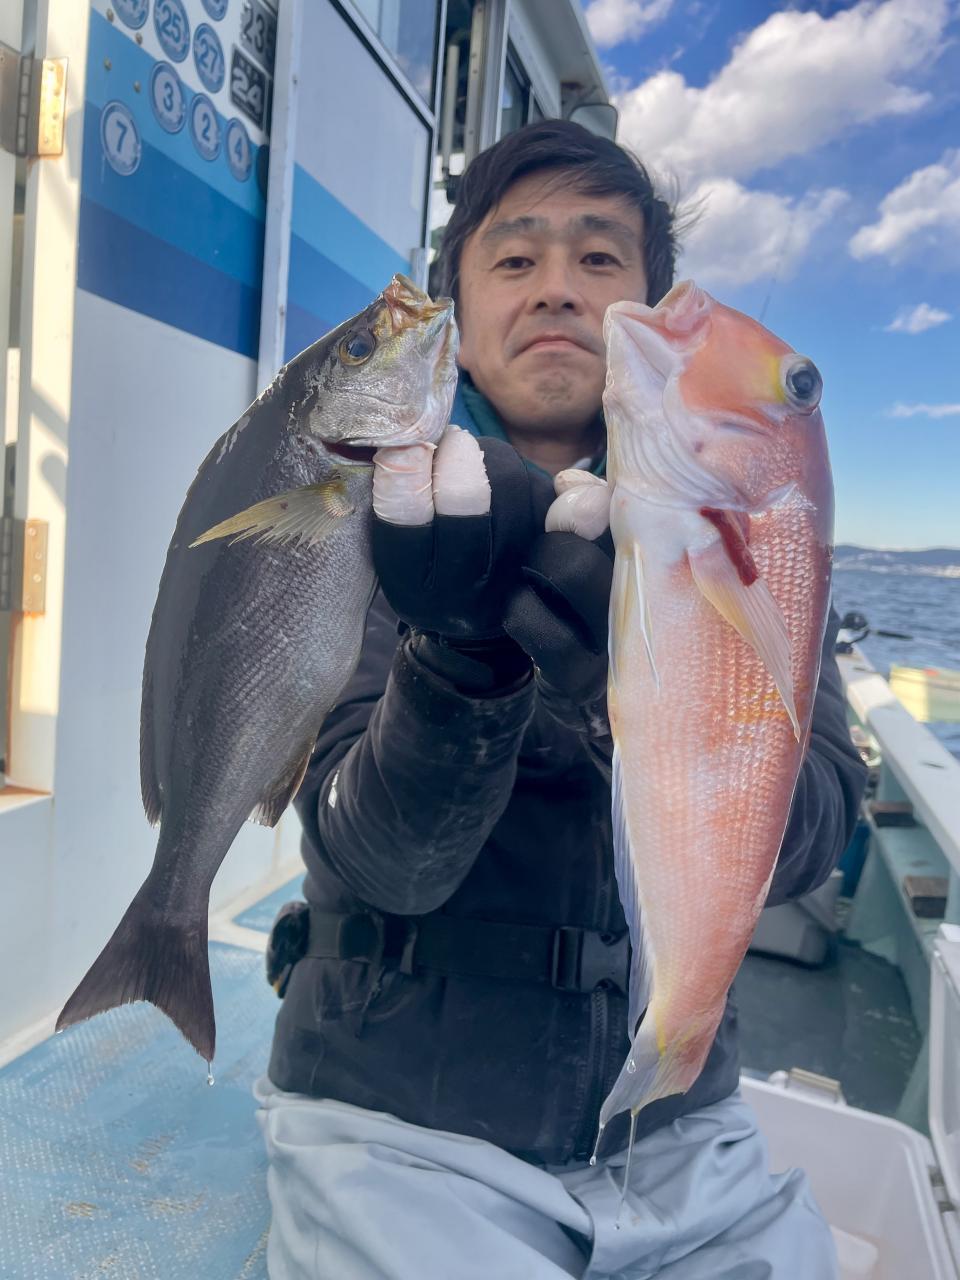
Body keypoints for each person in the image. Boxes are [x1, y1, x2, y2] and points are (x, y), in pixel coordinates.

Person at [255, 120, 867, 1279]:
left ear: (647, 302)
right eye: (514, 255)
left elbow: (815, 830)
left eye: (597, 256)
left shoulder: (758, 534)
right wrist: (461, 658)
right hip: (397, 1121)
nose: (556, 287)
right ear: (456, 305)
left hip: (680, 1132)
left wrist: (646, 692)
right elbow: (378, 861)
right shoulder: (365, 522)